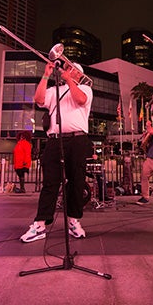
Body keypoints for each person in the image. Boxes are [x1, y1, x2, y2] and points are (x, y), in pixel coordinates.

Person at [20, 61, 93, 243]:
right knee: (50, 183)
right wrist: (46, 74)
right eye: (68, 68)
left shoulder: (86, 88)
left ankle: (73, 221)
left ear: (79, 74)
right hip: (54, 139)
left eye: (73, 70)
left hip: (77, 140)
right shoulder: (54, 90)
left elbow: (80, 100)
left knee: (76, 181)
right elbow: (38, 99)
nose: (68, 70)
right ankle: (40, 224)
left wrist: (69, 81)